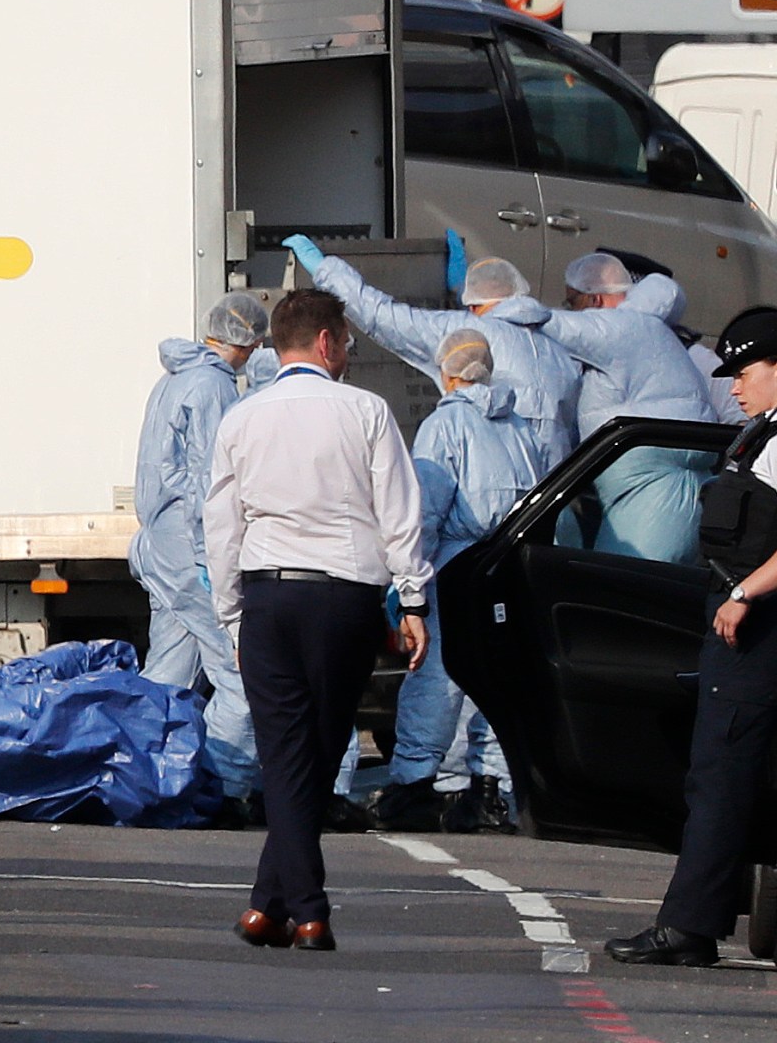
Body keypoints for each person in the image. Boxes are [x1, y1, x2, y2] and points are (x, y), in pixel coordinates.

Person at [206, 289, 431, 952]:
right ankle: (308, 909)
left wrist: (232, 618)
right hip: (345, 598)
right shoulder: (365, 411)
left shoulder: (243, 417)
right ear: (328, 343)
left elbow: (221, 527)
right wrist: (413, 598)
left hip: (268, 595)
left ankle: (270, 905)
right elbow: (399, 511)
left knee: (283, 756)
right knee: (322, 747)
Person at [607, 309, 777, 967]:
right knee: (722, 776)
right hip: (741, 622)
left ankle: (688, 928)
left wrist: (741, 594)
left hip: (757, 628)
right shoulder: (759, 434)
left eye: (746, 372)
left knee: (721, 777)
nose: (734, 385)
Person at [344, 329, 540, 834]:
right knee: (498, 679)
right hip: (506, 568)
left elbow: (424, 509)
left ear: (446, 372)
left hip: (453, 566)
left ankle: (412, 785)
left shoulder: (446, 425)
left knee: (435, 678)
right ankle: (492, 790)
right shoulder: (521, 428)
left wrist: (405, 581)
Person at [128, 291, 269, 811]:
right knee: (241, 674)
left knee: (168, 674)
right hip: (191, 555)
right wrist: (217, 562)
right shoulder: (212, 388)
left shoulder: (172, 380)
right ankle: (222, 785)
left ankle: (144, 776)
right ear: (249, 342)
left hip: (160, 549)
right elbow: (212, 484)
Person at [285, 235, 579, 475]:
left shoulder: (466, 331)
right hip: (556, 494)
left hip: (490, 490)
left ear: (473, 304)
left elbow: (382, 316)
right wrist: (458, 287)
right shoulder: (557, 350)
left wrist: (326, 270)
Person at [539, 253, 719, 562]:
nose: (569, 310)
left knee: (624, 590)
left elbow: (546, 325)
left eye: (572, 302)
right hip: (650, 494)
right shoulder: (664, 339)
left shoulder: (616, 334)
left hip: (646, 499)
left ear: (593, 300)